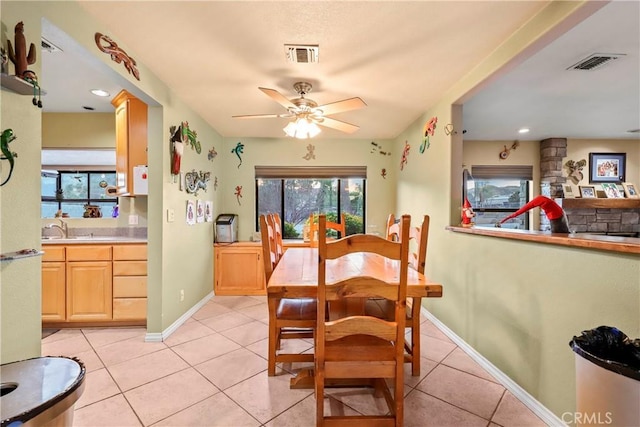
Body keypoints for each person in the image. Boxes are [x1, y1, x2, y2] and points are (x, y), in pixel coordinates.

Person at [496, 195, 571, 233]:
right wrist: (503, 220)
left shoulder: (538, 201)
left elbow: (520, 212)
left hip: (556, 217)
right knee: (563, 232)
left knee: (557, 235)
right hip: (560, 213)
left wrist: (503, 220)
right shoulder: (542, 199)